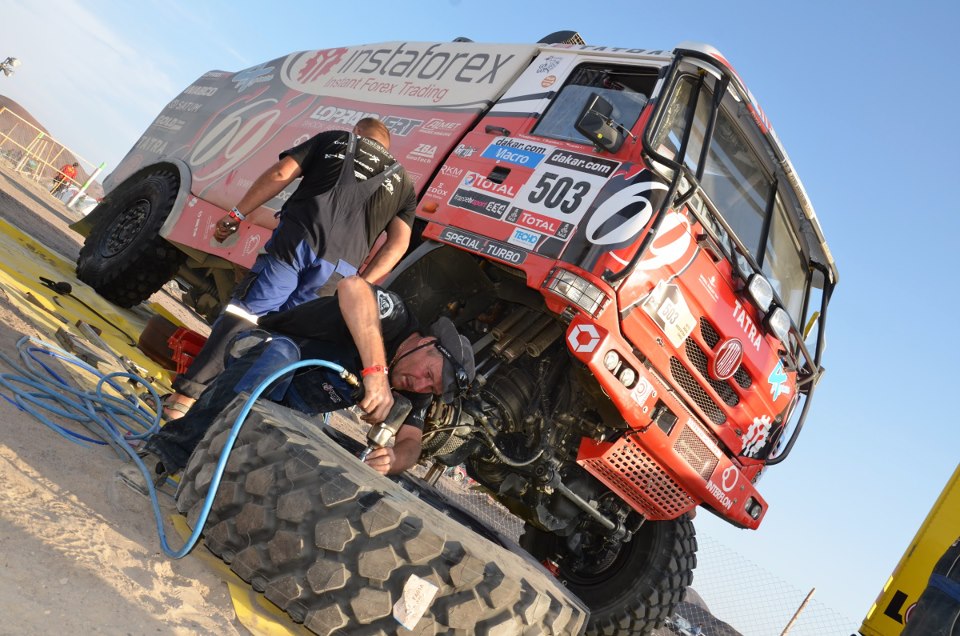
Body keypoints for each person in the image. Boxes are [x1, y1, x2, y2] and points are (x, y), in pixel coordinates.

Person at [162, 118, 417, 420]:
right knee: (286, 342)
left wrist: (237, 213)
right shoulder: (403, 183)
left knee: (245, 318)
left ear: (358, 132)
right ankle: (230, 416)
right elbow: (398, 245)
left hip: (294, 245)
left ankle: (184, 400)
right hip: (338, 272)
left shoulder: (335, 140)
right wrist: (360, 288)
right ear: (387, 146)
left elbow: (282, 173)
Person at [118, 276, 475, 492]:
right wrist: (375, 373)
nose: (423, 385)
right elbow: (353, 288)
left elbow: (412, 442)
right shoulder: (395, 316)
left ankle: (218, 477)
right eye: (430, 374)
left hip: (295, 406)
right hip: (262, 356)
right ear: (428, 343)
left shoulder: (414, 385)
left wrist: (394, 459)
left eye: (431, 389)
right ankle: (165, 455)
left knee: (309, 450)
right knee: (282, 355)